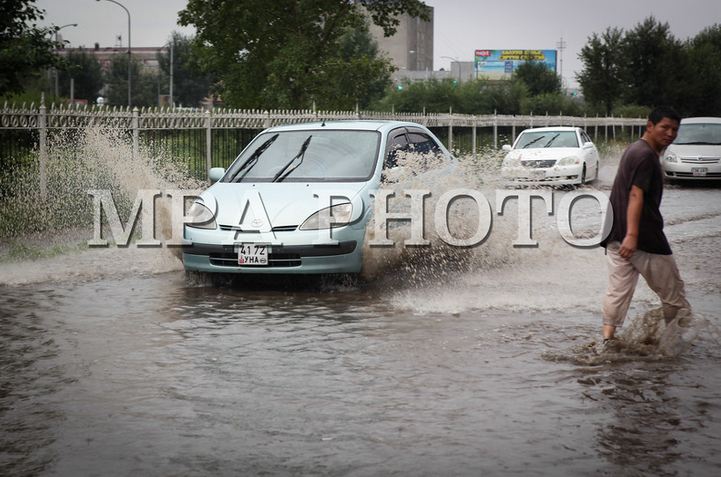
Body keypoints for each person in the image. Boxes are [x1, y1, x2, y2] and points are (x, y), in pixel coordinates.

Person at [599, 106, 691, 349]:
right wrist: (633, 235)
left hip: (614, 235)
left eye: (674, 129)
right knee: (675, 298)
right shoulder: (646, 156)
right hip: (644, 240)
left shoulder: (633, 150)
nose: (670, 133)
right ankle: (674, 344)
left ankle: (607, 340)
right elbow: (636, 195)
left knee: (618, 292)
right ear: (649, 126)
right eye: (665, 127)